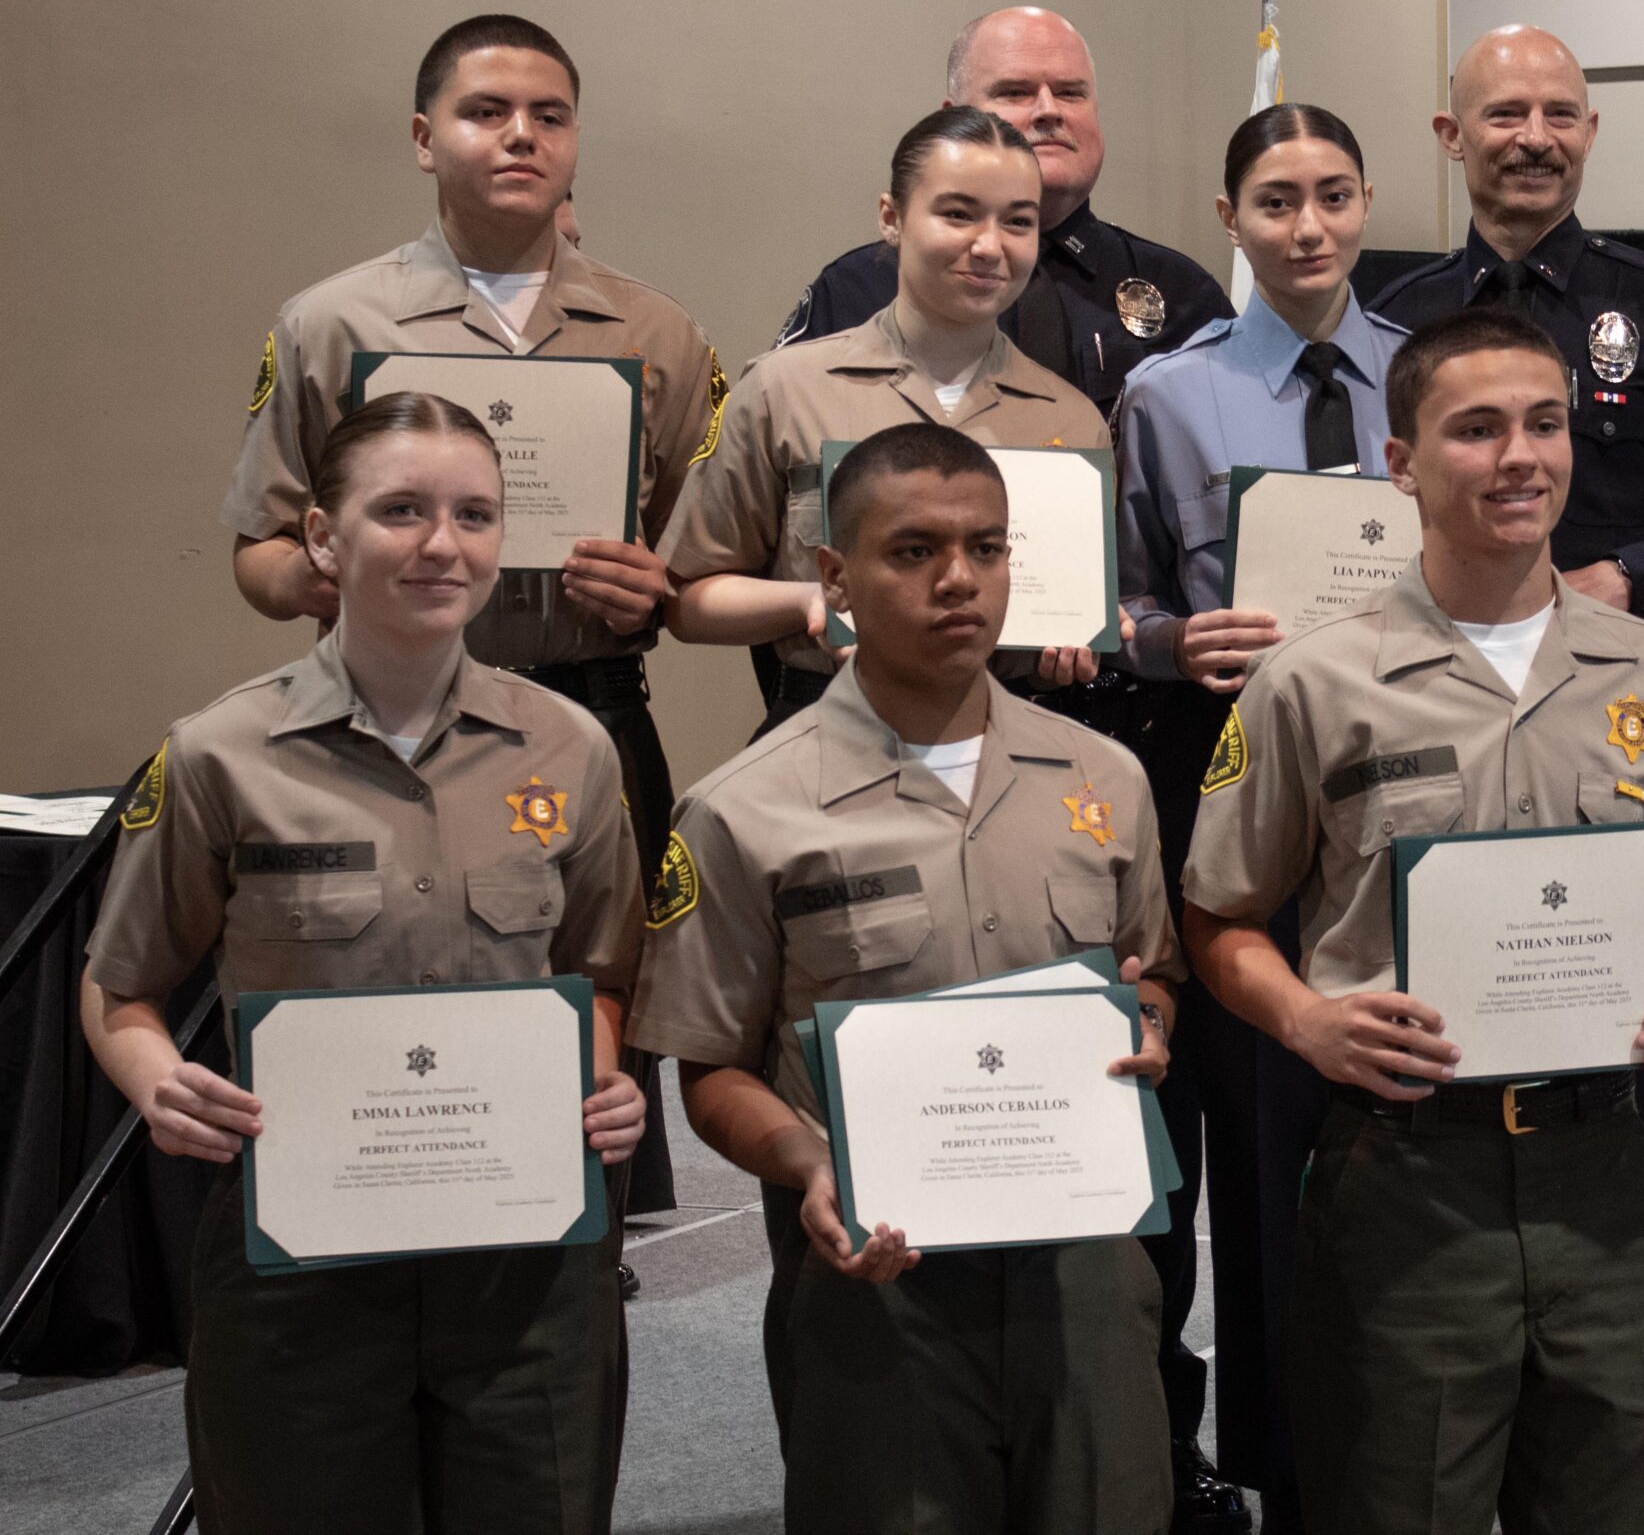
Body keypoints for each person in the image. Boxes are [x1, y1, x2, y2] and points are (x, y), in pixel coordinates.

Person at [1182, 309, 1644, 1535]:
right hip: (1405, 1182)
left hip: (1606, 1176)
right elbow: (1218, 917)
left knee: (1618, 1508)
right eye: (1476, 429)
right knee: (1398, 1501)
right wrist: (1311, 1023)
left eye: (1544, 424)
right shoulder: (1313, 682)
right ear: (1400, 464)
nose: (1520, 457)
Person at [1370, 22, 1644, 1529]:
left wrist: (1630, 577)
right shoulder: (1389, 309)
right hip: (1422, 713)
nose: (1531, 133)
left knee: (1635, 1117)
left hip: (1609, 719)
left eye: (1557, 111)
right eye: (1504, 112)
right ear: (1451, 134)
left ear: (1591, 131)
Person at [84, 395, 648, 1533]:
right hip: (305, 1260)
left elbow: (604, 964)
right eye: (400, 510)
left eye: (474, 515)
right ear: (323, 540)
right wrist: (152, 1080)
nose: (443, 545)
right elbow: (120, 984)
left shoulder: (570, 747)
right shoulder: (220, 755)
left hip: (523, 1262)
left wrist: (600, 1076)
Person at [628, 424, 1182, 1533]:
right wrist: (806, 1157)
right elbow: (709, 1070)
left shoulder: (1103, 777)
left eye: (987, 547)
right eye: (913, 550)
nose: (959, 580)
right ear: (832, 576)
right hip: (878, 1284)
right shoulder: (743, 810)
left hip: (1082, 1273)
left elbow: (1153, 975)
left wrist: (1153, 1028)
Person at [218, 15, 722, 1226]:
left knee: (593, 1006)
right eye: (486, 112)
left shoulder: (661, 335)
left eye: (549, 116)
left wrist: (648, 586)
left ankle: (570, 1266)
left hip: (585, 714)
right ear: (421, 136)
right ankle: (376, 1232)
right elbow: (256, 551)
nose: (519, 137)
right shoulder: (331, 324)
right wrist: (326, 575)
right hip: (382, 723)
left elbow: (694, 564)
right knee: (394, 993)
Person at [1112, 101, 1406, 1523]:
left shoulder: (1428, 374)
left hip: (1417, 813)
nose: (1309, 225)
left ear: (1367, 204)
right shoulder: (1170, 394)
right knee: (1259, 1143)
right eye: (1277, 199)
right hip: (1248, 803)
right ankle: (1282, 1462)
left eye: (1334, 195)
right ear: (1230, 219)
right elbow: (1112, 607)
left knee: (1405, 1130)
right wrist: (1177, 643)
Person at [660, 107, 1113, 741]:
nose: (989, 246)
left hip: (999, 739)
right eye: (958, 214)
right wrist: (815, 601)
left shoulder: (1071, 419)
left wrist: (1070, 637)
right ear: (892, 218)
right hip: (823, 730)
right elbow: (686, 600)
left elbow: (1053, 613)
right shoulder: (785, 389)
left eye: (1018, 222)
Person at [775, 6, 1233, 413]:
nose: (1049, 110)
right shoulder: (855, 288)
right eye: (1015, 92)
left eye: (1072, 93)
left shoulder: (1182, 295)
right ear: (955, 118)